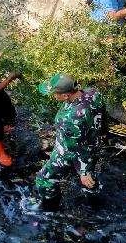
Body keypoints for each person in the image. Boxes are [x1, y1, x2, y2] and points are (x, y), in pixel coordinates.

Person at [35, 73, 104, 205]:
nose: (53, 96)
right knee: (90, 181)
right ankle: (93, 198)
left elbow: (75, 148)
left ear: (66, 95)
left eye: (55, 93)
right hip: (94, 142)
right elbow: (101, 116)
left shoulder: (69, 119)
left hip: (71, 150)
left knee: (44, 179)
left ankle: (50, 208)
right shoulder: (93, 93)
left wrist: (84, 171)